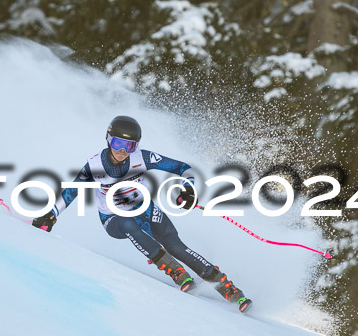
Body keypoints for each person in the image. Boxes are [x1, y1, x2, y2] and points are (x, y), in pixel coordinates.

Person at [32, 115, 251, 311]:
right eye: (117, 143)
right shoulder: (95, 165)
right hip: (113, 218)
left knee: (177, 247)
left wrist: (188, 188)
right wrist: (51, 214)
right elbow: (72, 189)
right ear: (108, 139)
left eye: (129, 146)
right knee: (128, 224)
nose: (121, 150)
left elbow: (184, 168)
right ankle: (175, 272)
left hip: (146, 210)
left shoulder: (142, 158)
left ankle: (227, 287)